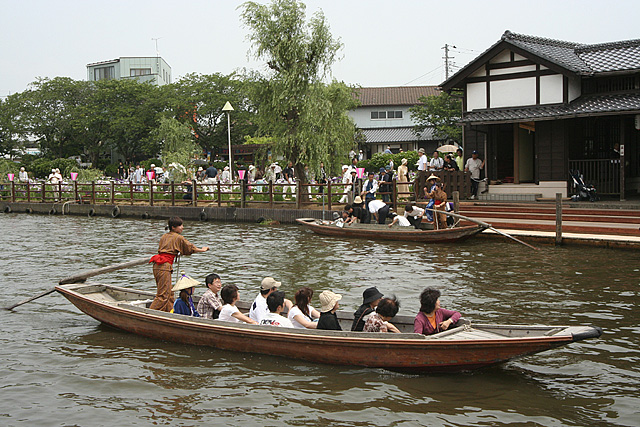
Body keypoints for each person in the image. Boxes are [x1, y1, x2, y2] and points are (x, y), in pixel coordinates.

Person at [148, 217, 209, 312]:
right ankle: (150, 313)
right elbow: (190, 248)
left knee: (170, 293)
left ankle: (170, 312)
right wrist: (202, 249)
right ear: (173, 227)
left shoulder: (164, 236)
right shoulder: (178, 237)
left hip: (157, 265)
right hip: (164, 265)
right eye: (180, 225)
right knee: (163, 294)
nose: (182, 227)